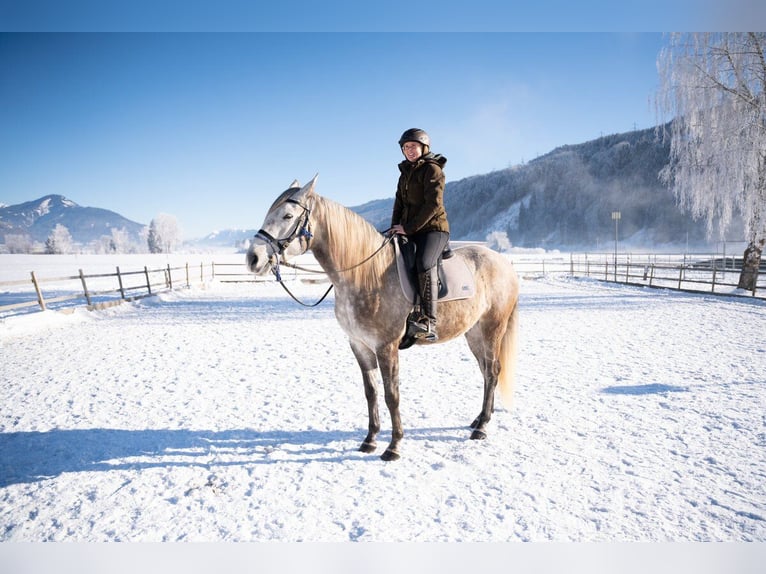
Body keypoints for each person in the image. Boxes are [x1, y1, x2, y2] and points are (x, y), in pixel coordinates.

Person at [390, 128, 450, 341]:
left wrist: (409, 228)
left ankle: (428, 321)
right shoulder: (404, 173)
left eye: (413, 146)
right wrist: (394, 227)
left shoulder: (432, 170)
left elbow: (433, 205)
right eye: (405, 147)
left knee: (424, 263)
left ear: (424, 148)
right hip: (410, 229)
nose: (409, 150)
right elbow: (399, 203)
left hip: (433, 229)